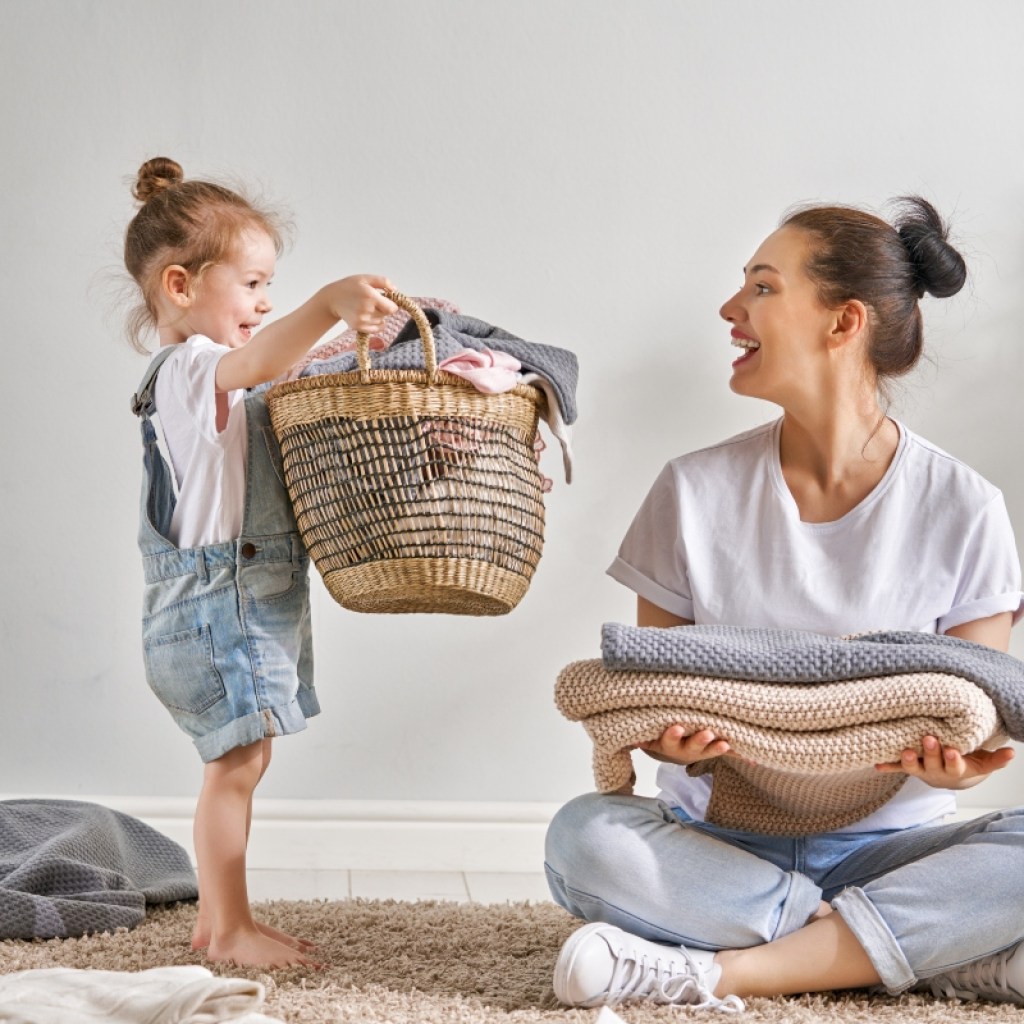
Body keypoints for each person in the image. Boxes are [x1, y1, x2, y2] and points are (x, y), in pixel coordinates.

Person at [544, 197, 1024, 1011]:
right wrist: (674, 743)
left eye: (762, 288)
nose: (732, 309)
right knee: (583, 838)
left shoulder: (963, 505)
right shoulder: (692, 490)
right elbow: (658, 700)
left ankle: (720, 972)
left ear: (844, 323)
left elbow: (980, 716)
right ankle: (915, 952)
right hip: (721, 843)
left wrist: (965, 765)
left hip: (894, 846)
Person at [123, 157, 397, 966]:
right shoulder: (189, 370)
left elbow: (269, 377)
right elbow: (262, 360)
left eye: (271, 285)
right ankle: (232, 929)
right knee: (235, 764)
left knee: (244, 758)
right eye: (251, 283)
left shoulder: (213, 384)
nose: (266, 301)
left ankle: (217, 923)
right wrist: (325, 305)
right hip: (216, 608)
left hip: (237, 600)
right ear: (181, 286)